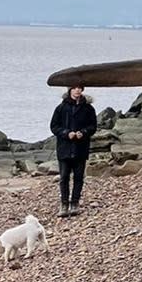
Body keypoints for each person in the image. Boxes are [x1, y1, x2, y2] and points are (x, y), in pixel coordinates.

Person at [50, 84, 98, 217]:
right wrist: (66, 133)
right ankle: (64, 204)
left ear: (82, 90)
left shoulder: (88, 108)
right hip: (64, 148)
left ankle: (75, 203)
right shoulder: (61, 108)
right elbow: (54, 126)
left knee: (78, 177)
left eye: (79, 88)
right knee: (64, 177)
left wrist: (83, 132)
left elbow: (93, 126)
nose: (77, 90)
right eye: (74, 88)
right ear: (70, 90)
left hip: (81, 147)